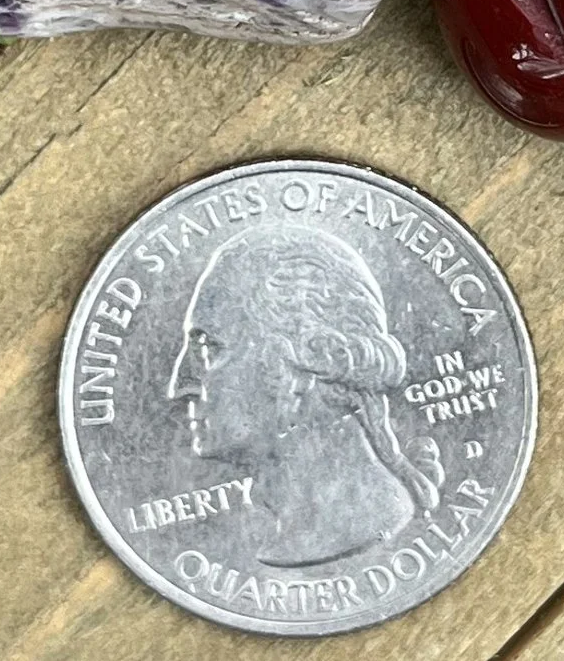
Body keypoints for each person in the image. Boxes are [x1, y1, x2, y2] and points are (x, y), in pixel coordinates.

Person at [168, 223, 443, 567]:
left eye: (209, 347)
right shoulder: (296, 532)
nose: (178, 386)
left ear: (310, 355)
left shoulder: (360, 524)